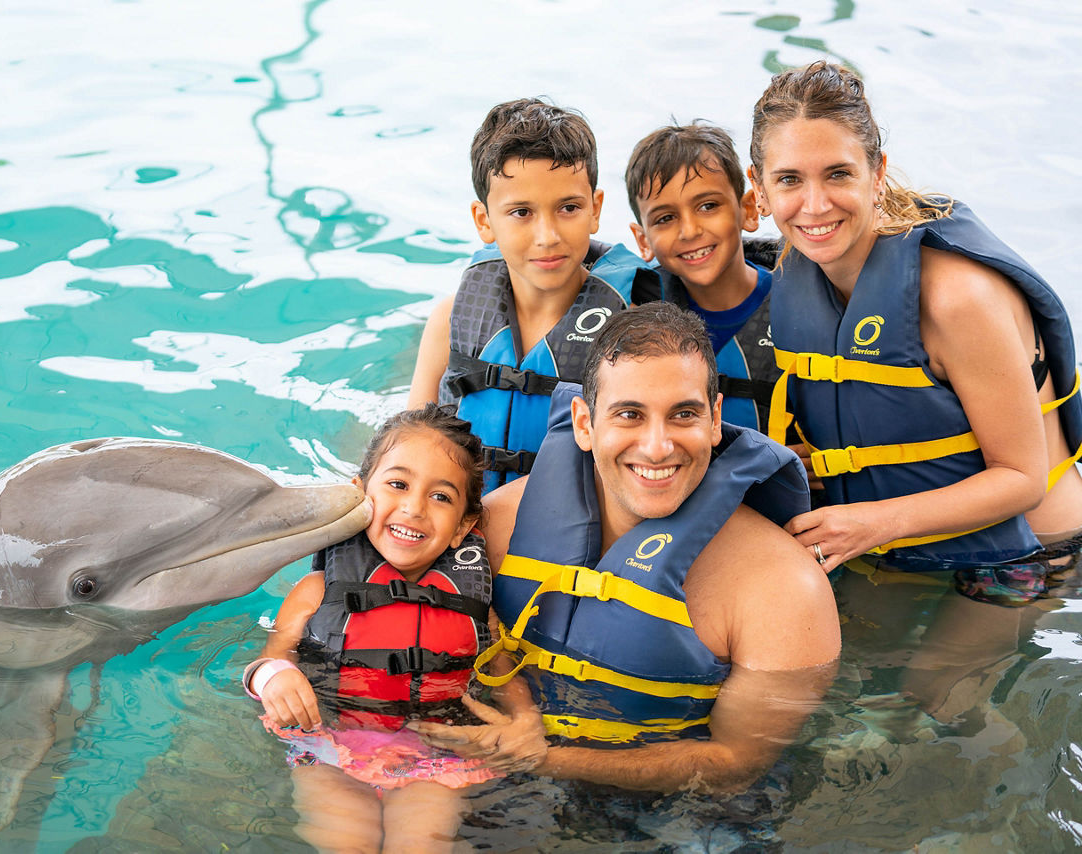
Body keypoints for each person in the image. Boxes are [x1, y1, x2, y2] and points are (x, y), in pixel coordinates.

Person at [412, 301, 840, 797]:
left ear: (716, 419)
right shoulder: (497, 524)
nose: (657, 447)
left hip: (680, 816)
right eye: (630, 414)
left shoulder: (784, 587)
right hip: (496, 777)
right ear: (584, 423)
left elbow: (736, 762)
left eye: (684, 414)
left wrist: (545, 759)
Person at [747, 60, 1082, 592]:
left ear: (876, 173)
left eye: (838, 173)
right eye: (789, 179)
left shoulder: (955, 298)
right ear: (759, 189)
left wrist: (873, 523)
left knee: (922, 681)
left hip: (1030, 555)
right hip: (898, 544)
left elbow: (1023, 480)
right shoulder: (798, 270)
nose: (815, 205)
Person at [242, 404, 521, 853]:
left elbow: (507, 679)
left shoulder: (475, 606)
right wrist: (273, 677)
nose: (413, 508)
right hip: (332, 747)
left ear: (463, 526)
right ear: (360, 493)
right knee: (344, 843)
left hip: (435, 756)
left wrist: (522, 721)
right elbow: (269, 660)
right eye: (397, 484)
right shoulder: (316, 591)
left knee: (421, 845)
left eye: (441, 497)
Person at [408, 97, 649, 494]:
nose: (547, 236)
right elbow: (410, 447)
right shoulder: (449, 322)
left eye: (568, 207)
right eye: (522, 212)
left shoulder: (632, 333)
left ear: (595, 208)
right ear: (484, 221)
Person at [626, 122, 782, 433]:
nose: (690, 230)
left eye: (708, 206)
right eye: (665, 218)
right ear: (643, 240)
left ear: (748, 210)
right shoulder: (634, 313)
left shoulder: (803, 304)